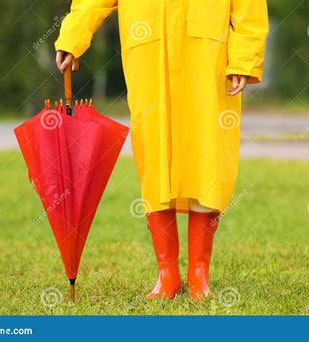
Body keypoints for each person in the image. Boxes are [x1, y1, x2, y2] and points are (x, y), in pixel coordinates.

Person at [55, 0, 268, 300]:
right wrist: (72, 38)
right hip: (149, 59)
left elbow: (250, 11)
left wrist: (244, 60)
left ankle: (198, 276)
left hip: (208, 62)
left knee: (208, 159)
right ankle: (167, 275)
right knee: (155, 159)